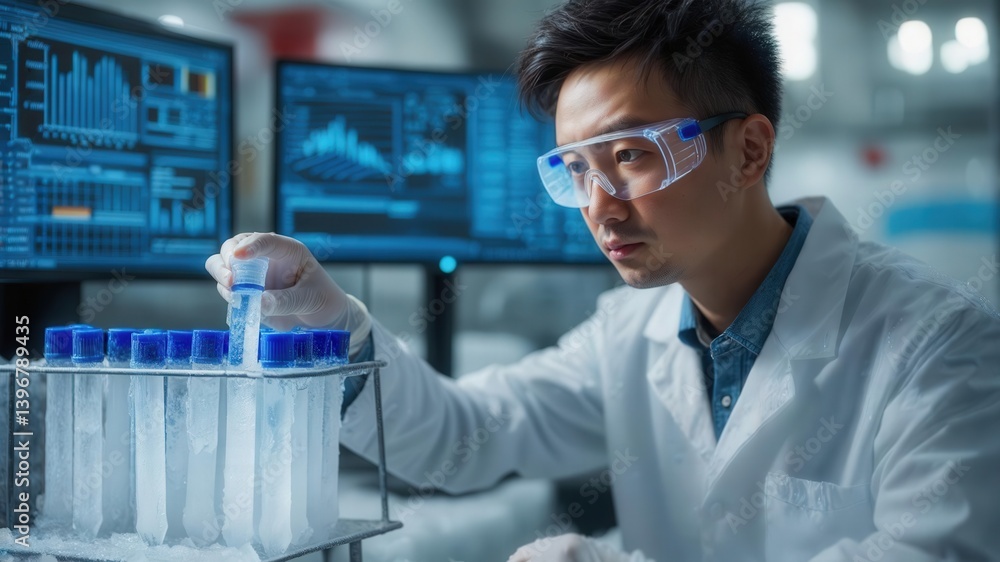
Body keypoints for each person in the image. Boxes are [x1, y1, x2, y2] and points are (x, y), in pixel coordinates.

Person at [206, 0, 1000, 560]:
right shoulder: (630, 332)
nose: (599, 205)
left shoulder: (939, 347)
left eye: (629, 156)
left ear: (750, 151)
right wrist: (330, 323)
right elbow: (464, 435)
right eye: (576, 169)